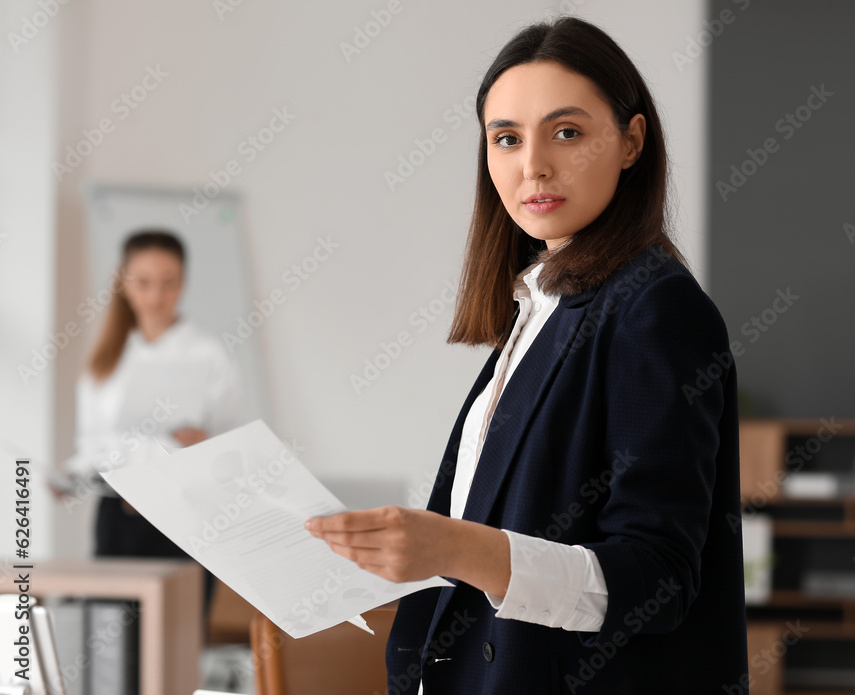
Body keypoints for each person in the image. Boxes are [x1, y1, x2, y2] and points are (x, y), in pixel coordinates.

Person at [305, 16, 748, 694]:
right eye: (506, 138)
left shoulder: (655, 309)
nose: (533, 165)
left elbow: (656, 578)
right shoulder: (540, 306)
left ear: (631, 141)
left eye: (566, 132)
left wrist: (450, 545)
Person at [50, 230, 246, 616]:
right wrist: (67, 475)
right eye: (143, 283)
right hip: (119, 518)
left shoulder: (208, 355)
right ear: (123, 282)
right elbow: (93, 446)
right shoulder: (107, 358)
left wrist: (205, 443)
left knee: (178, 638)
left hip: (185, 519)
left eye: (168, 283)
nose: (156, 296)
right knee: (111, 646)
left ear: (183, 282)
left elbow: (234, 445)